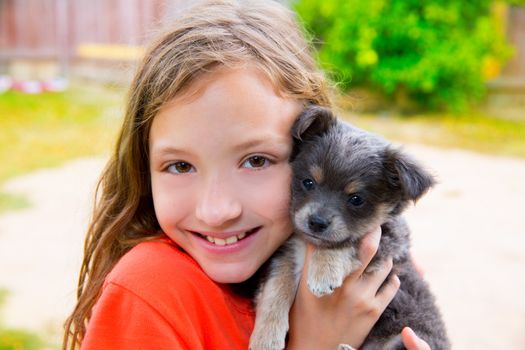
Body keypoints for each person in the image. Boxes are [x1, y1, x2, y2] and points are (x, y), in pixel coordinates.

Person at [63, 1, 431, 349]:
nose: (216, 210)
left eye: (256, 161)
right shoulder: (149, 293)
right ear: (143, 169)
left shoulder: (374, 269)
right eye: (180, 166)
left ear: (308, 145)